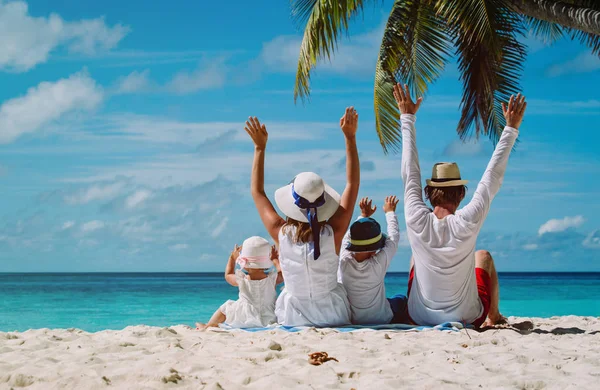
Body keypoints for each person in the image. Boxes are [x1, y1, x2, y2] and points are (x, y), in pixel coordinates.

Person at [393, 82, 527, 328]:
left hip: (418, 317)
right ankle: (494, 316)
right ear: (461, 194)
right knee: (483, 256)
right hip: (467, 317)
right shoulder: (467, 220)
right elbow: (491, 179)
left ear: (428, 193)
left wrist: (407, 118)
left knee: (416, 257)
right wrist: (510, 129)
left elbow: (409, 172)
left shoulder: (415, 216)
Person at [244, 107, 360, 327]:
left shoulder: (281, 232)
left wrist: (259, 148)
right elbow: (352, 184)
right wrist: (350, 138)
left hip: (292, 316)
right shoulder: (333, 232)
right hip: (332, 314)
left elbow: (257, 192)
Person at [338, 196, 406, 325]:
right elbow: (394, 238)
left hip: (353, 320)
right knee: (400, 299)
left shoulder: (344, 260)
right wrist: (390, 212)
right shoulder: (377, 264)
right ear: (375, 249)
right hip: (382, 319)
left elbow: (347, 239)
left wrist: (363, 216)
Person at [195, 236, 283, 330]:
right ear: (266, 264)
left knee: (226, 306)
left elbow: (228, 275)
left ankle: (209, 326)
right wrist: (275, 260)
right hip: (269, 316)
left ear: (244, 264)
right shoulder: (272, 279)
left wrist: (232, 258)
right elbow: (282, 273)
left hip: (244, 317)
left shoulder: (242, 279)